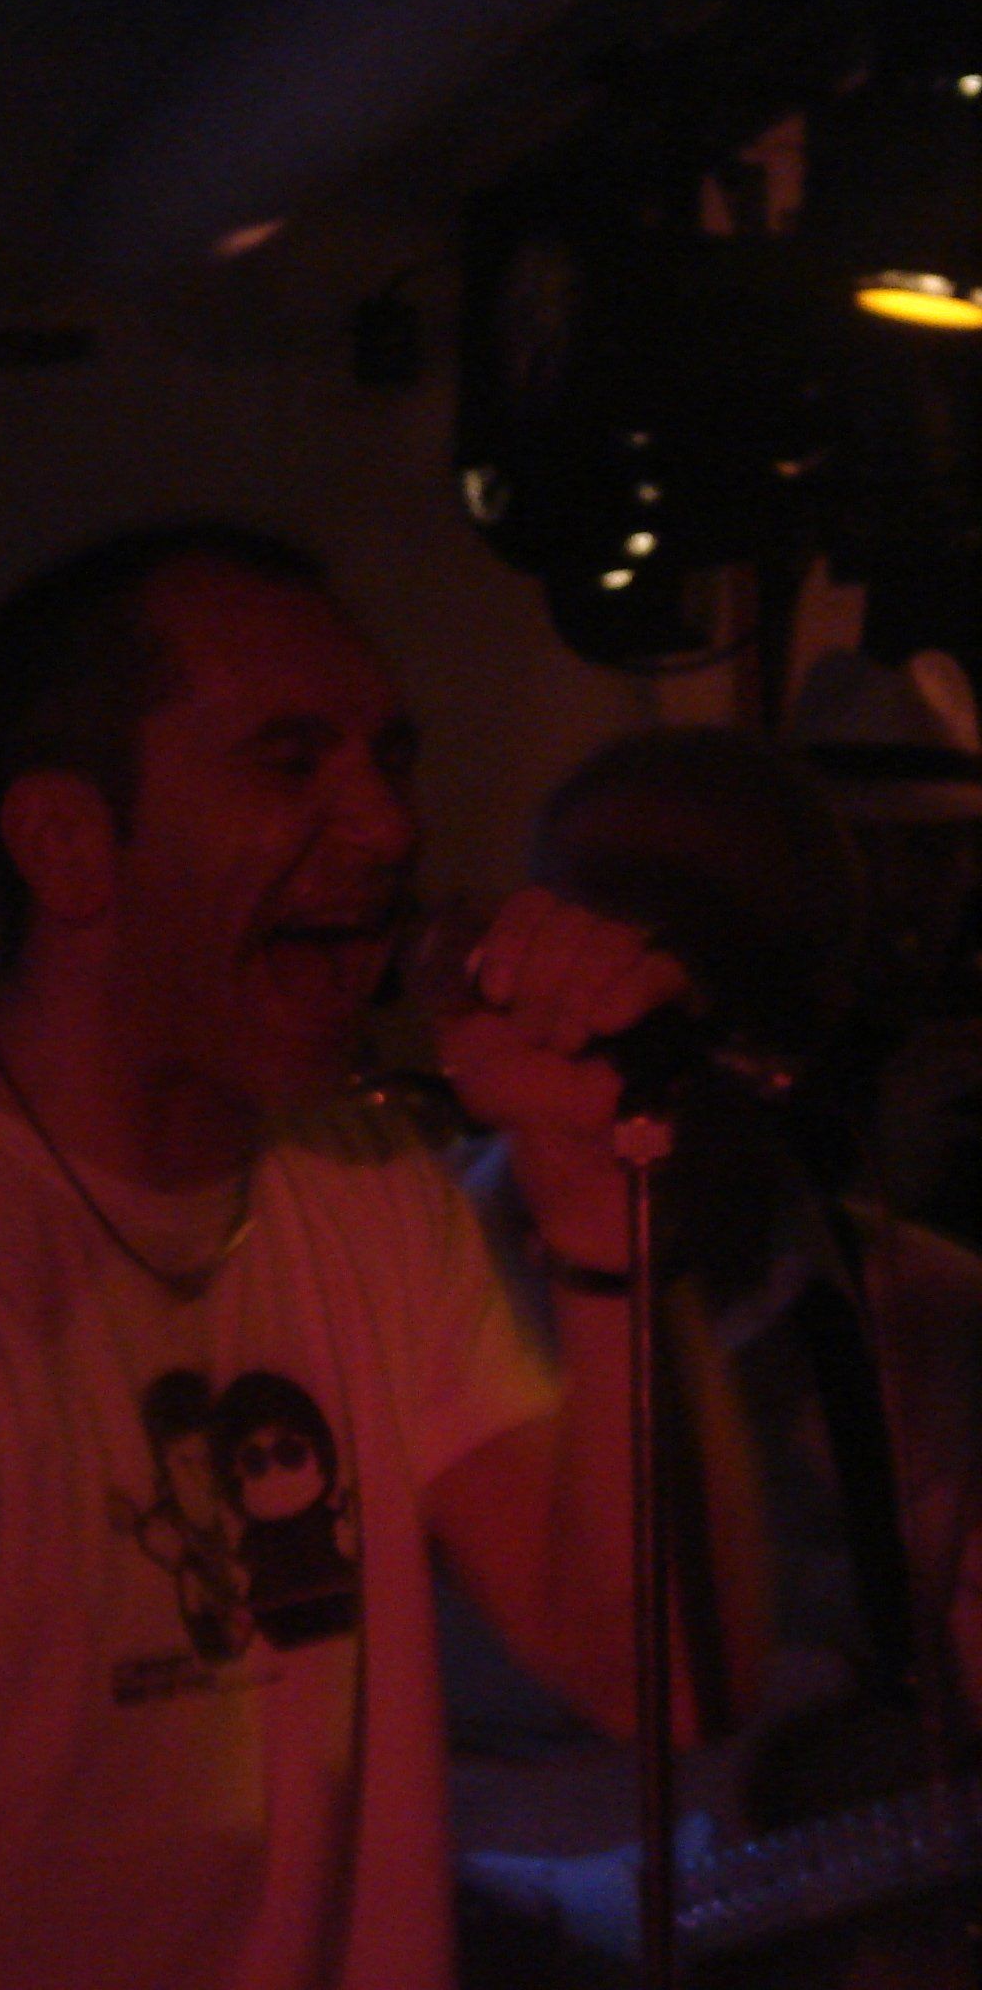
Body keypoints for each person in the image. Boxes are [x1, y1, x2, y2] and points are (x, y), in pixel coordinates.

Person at [0, 523, 763, 1990]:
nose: (387, 829)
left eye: (390, 762)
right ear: (66, 844)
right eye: (292, 764)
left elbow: (663, 1675)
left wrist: (601, 1209)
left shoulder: (370, 1192)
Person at [444, 727, 982, 1985]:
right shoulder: (379, 1276)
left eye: (695, 950)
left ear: (807, 1012)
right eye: (592, 925)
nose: (624, 991)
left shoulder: (930, 1312)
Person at [788, 646, 982, 1247]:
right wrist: (889, 1176)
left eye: (931, 848)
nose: (895, 888)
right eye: (858, 848)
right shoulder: (746, 1037)